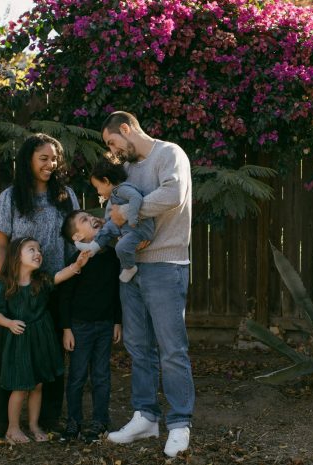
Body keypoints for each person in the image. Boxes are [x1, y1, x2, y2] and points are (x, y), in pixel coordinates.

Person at [101, 111, 194, 458]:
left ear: (126, 130)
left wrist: (129, 214)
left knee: (172, 349)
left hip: (166, 265)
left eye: (112, 141)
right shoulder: (126, 170)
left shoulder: (169, 154)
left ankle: (180, 423)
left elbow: (174, 194)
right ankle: (145, 417)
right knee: (138, 348)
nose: (112, 150)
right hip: (132, 269)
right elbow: (114, 204)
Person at [0, 133, 80, 437]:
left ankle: (46, 420)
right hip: (19, 291)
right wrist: (11, 284)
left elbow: (75, 240)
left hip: (55, 286)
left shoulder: (65, 196)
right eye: (43, 158)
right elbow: (0, 244)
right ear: (28, 160)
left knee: (48, 357)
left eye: (54, 159)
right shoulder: (10, 198)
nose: (50, 164)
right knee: (12, 355)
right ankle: (3, 422)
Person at [0, 237, 89, 444]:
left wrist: (77, 265)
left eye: (39, 249)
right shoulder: (5, 284)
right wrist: (8, 323)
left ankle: (34, 425)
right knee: (20, 386)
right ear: (17, 256)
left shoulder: (41, 281)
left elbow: (61, 275)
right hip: (20, 341)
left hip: (41, 340)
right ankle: (12, 428)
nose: (38, 253)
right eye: (31, 249)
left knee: (37, 385)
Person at [58, 210, 123, 444]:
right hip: (80, 328)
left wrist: (117, 321)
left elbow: (117, 292)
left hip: (105, 325)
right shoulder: (75, 262)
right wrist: (66, 328)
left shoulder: (112, 256)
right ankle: (74, 421)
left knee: (101, 375)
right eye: (84, 220)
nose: (92, 219)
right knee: (76, 376)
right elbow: (64, 297)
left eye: (90, 216)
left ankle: (100, 421)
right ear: (77, 236)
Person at [74, 158, 155, 283]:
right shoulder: (114, 195)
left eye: (97, 187)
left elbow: (136, 197)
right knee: (106, 229)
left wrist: (132, 217)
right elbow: (111, 217)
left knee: (120, 247)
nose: (98, 192)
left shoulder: (122, 189)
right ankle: (93, 247)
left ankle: (129, 267)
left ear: (106, 181)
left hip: (138, 228)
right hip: (127, 227)